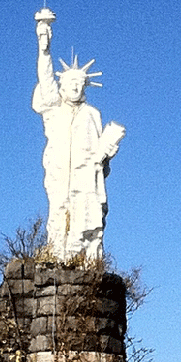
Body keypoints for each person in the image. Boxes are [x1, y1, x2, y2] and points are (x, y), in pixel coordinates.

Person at [32, 15, 125, 260]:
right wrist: (44, 47)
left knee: (85, 214)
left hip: (84, 174)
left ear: (85, 86)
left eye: (80, 83)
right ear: (63, 84)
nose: (75, 87)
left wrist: (105, 154)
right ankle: (57, 256)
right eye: (71, 82)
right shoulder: (54, 110)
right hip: (59, 170)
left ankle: (83, 259)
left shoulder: (92, 114)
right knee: (59, 210)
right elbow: (46, 79)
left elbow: (100, 152)